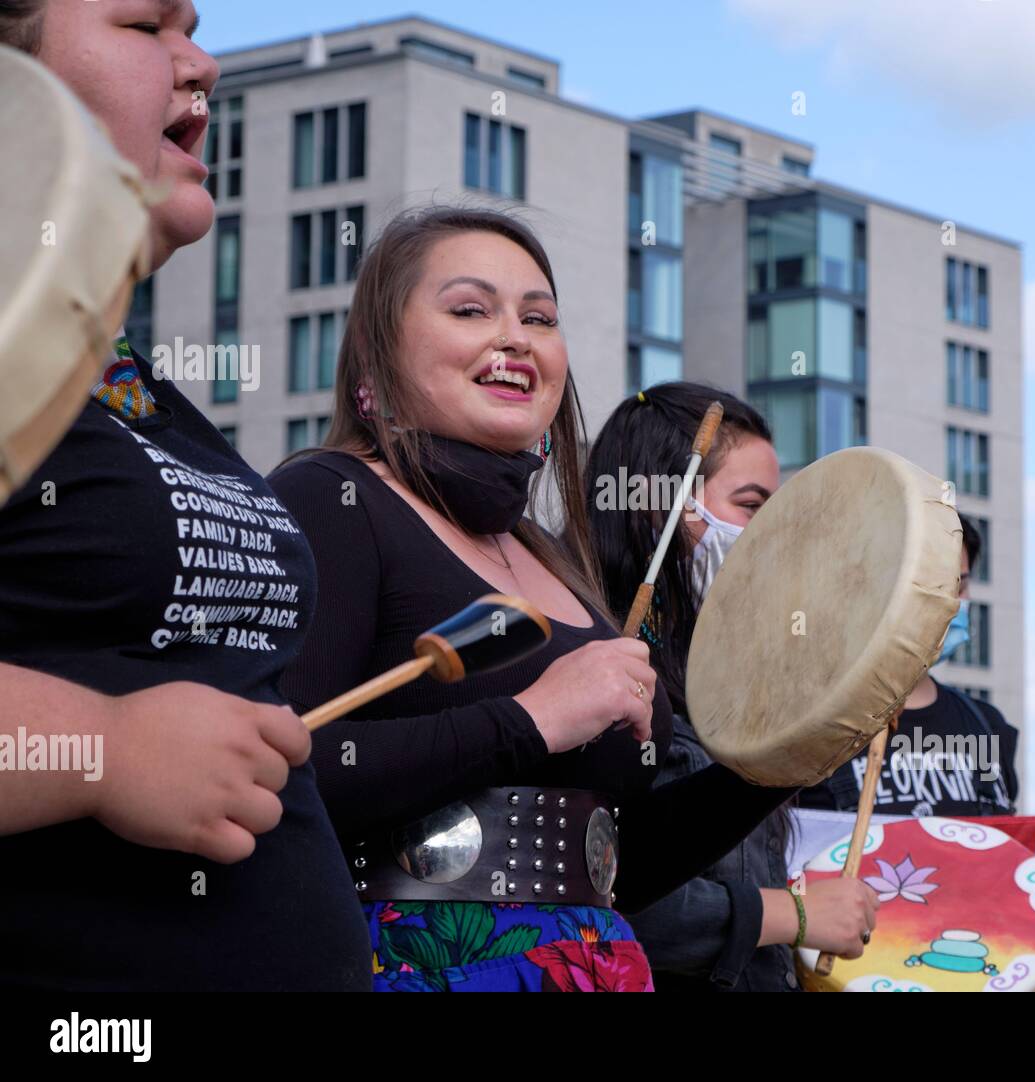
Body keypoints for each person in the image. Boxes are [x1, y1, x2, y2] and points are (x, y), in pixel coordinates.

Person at [268, 207, 866, 992]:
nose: (514, 336)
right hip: (409, 964)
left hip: (593, 966)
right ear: (375, 360)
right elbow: (283, 769)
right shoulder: (329, 496)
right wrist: (535, 719)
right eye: (470, 309)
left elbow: (618, 861)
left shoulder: (551, 553)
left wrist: (783, 758)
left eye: (539, 317)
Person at [0, 0, 371, 990]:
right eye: (144, 24)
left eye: (195, 27)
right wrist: (104, 748)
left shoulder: (120, 380)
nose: (201, 62)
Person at [583, 382, 879, 991]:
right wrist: (794, 916)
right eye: (752, 507)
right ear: (657, 507)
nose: (772, 536)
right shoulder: (597, 667)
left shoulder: (728, 674)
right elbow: (604, 896)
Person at [802, 515, 1035, 824]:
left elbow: (999, 857)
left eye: (960, 585)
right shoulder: (812, 729)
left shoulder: (987, 725)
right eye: (934, 587)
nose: (951, 604)